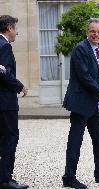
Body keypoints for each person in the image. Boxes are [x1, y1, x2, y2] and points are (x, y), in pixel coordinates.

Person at [62, 18, 99, 189]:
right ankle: (69, 177)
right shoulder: (80, 49)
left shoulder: (98, 49)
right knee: (76, 141)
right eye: (92, 31)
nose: (96, 34)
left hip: (93, 103)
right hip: (81, 102)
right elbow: (85, 78)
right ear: (86, 32)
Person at [0, 15, 29, 189]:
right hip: (5, 103)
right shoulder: (4, 46)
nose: (17, 33)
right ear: (9, 28)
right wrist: (20, 86)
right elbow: (2, 73)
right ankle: (5, 180)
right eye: (16, 29)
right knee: (10, 139)